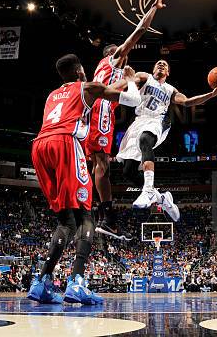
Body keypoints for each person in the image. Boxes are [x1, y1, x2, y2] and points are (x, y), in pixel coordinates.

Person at [27, 54, 141, 305]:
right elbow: (132, 100)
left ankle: (42, 282)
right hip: (65, 144)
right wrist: (130, 79)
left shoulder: (51, 95)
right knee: (85, 215)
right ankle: (77, 282)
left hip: (40, 146)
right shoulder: (87, 87)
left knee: (65, 219)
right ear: (80, 72)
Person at [87, 0, 166, 241]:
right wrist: (154, 7)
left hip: (91, 112)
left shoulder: (101, 69)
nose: (127, 55)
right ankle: (107, 218)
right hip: (101, 113)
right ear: (115, 53)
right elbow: (140, 30)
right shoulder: (114, 60)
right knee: (102, 166)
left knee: (97, 166)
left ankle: (100, 214)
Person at [116, 61, 217, 221]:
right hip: (138, 121)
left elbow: (188, 102)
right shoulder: (144, 77)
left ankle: (148, 190)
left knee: (145, 139)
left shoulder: (170, 90)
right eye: (158, 63)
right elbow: (127, 83)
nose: (161, 64)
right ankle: (162, 198)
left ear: (168, 72)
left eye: (165, 65)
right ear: (153, 69)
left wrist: (213, 94)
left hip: (158, 121)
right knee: (128, 171)